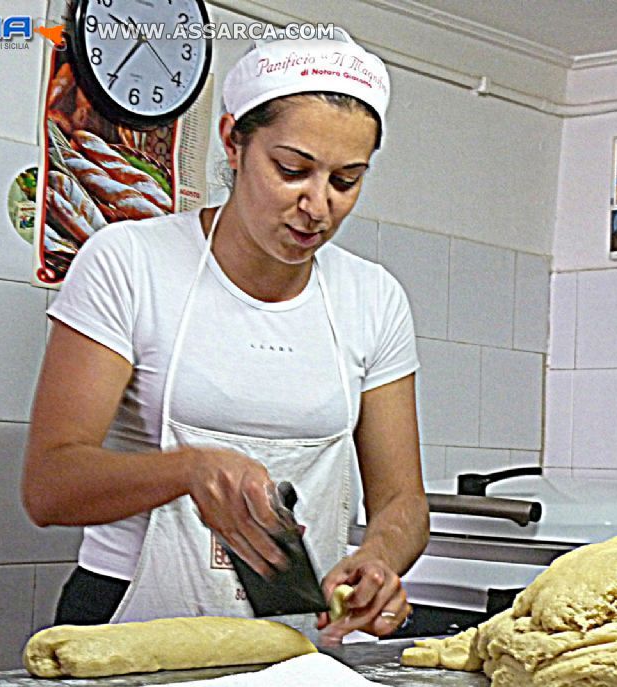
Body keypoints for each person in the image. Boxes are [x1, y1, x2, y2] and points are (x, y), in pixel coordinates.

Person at [21, 30, 429, 646]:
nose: (316, 206)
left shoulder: (373, 298)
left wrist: (378, 558)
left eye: (346, 180)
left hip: (298, 634)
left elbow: (402, 501)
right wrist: (187, 470)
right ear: (233, 141)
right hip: (130, 620)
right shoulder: (130, 263)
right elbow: (49, 487)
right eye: (291, 170)